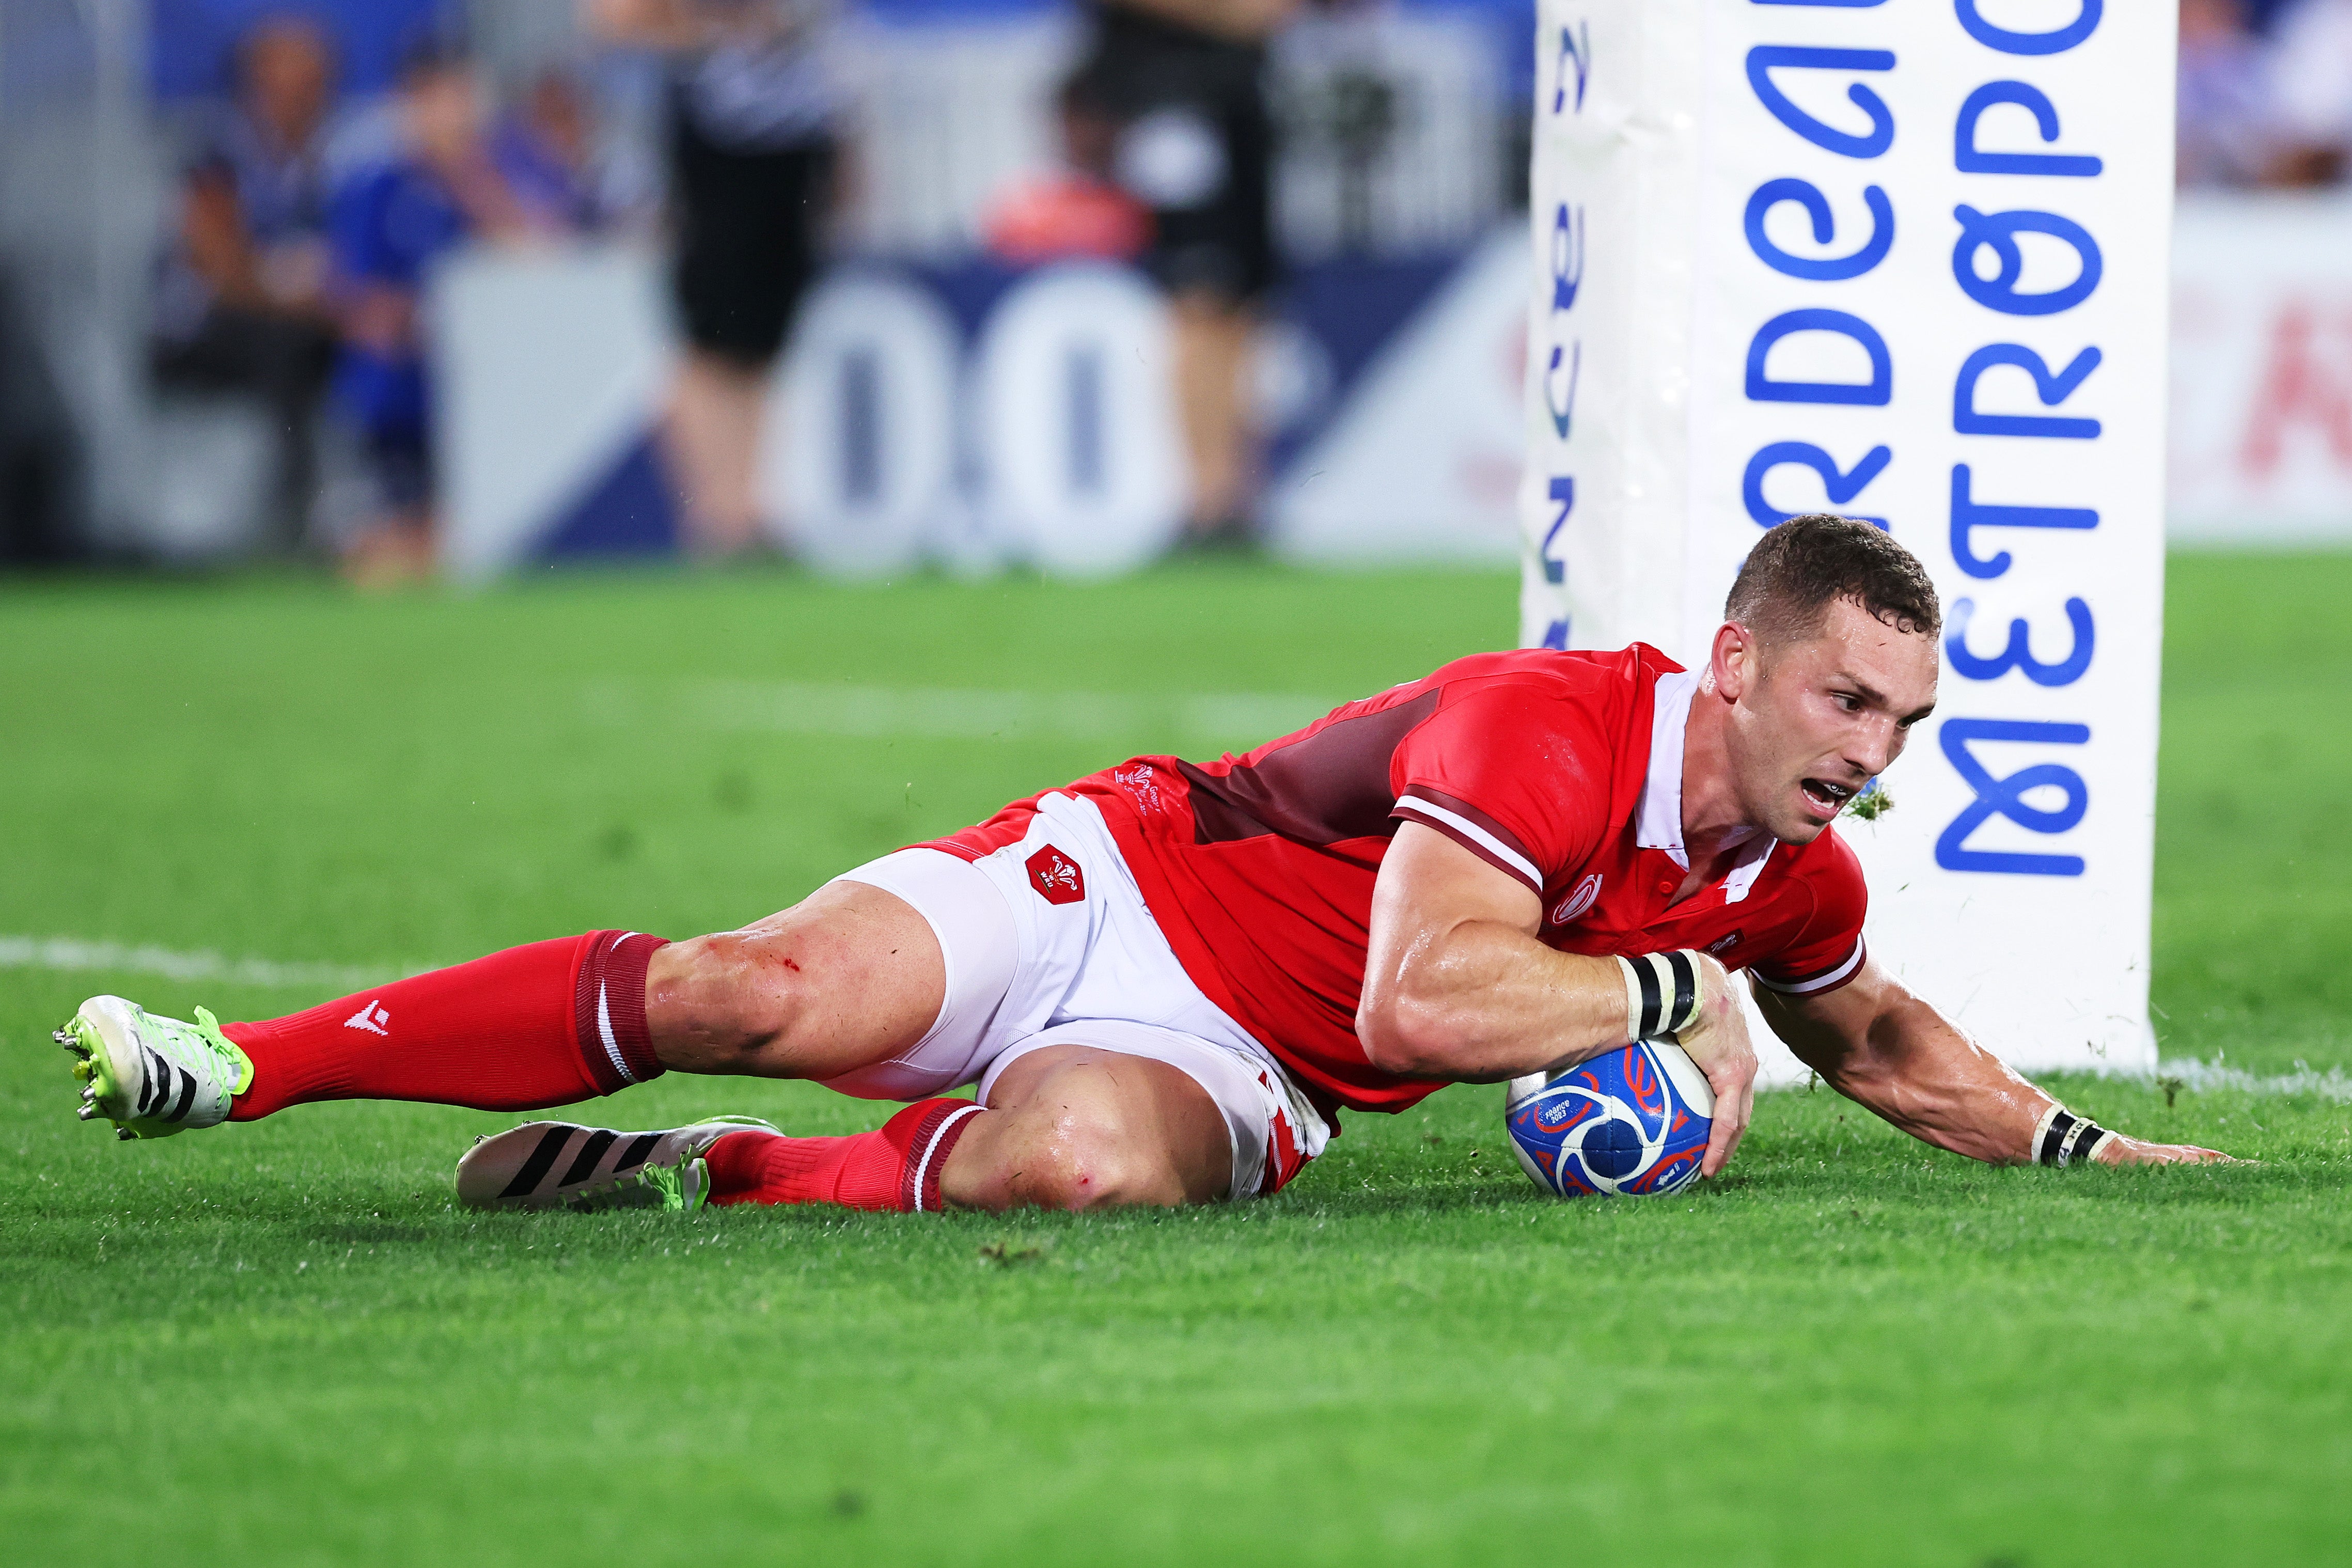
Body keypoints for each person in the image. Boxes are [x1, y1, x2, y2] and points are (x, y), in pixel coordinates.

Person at [53, 516, 2228, 1212]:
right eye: (1847, 705)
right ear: (1740, 662)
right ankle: (232, 1062)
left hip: (1255, 1074)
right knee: (752, 980)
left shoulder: (1793, 880)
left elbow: (1893, 1044)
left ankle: (727, 1170)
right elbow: (1427, 1000)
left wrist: (2095, 1158)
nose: (1872, 753)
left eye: (1905, 726)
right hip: (1123, 879)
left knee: (1076, 1173)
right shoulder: (1543, 726)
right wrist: (1675, 1001)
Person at [586, 0, 844, 558]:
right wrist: (713, 25)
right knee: (708, 342)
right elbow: (613, 18)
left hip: (788, 140)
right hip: (717, 144)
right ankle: (713, 515)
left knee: (761, 345)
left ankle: (749, 507)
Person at [1071, 0, 1299, 550]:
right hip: (1168, 100)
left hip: (1240, 94)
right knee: (1197, 295)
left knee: (1245, 302)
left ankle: (1235, 499)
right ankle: (1203, 501)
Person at [326, 39, 551, 585]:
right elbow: (354, 297)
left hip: (495, 388)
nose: (449, 112)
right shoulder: (377, 187)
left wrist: (469, 175)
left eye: (459, 96)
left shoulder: (509, 171)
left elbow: (541, 256)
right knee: (399, 535)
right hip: (406, 388)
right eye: (433, 98)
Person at [151, 15, 342, 552]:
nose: (303, 100)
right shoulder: (218, 153)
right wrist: (299, 297)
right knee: (284, 347)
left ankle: (388, 500)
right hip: (202, 329)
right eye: (289, 85)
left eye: (314, 86)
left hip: (300, 319)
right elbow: (218, 268)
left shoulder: (327, 157)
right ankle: (292, 514)